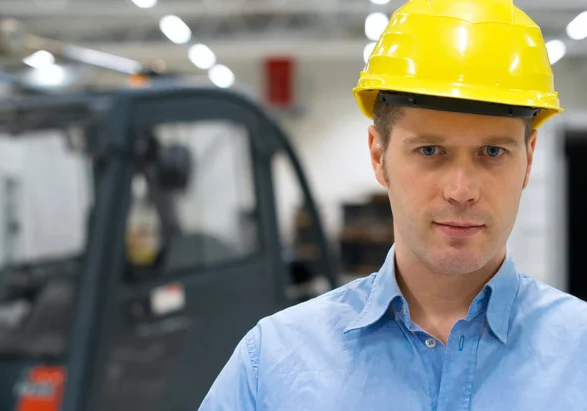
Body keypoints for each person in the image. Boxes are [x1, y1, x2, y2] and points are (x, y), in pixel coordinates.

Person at [199, 0, 587, 409]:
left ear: (529, 158)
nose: (461, 190)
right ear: (377, 155)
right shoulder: (274, 365)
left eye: (492, 152)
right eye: (430, 150)